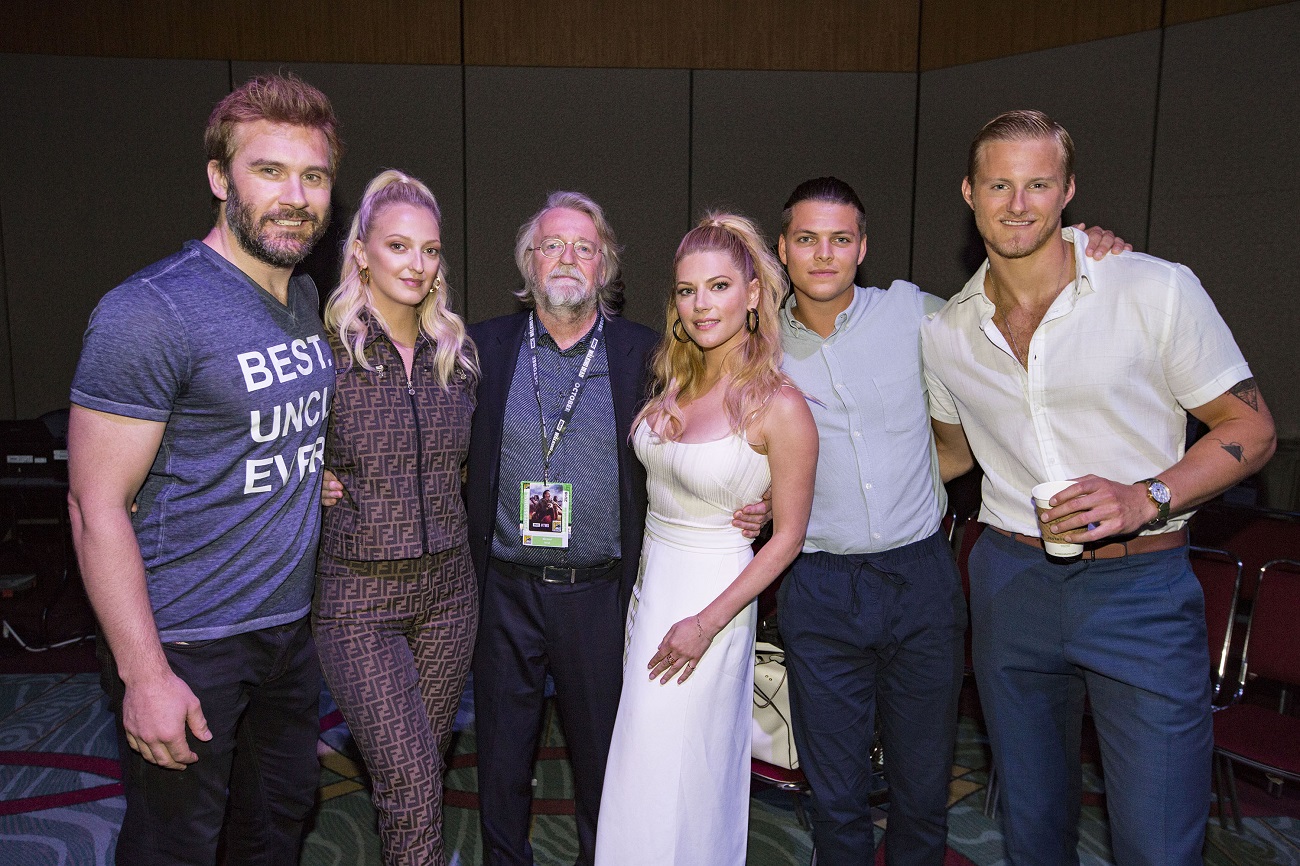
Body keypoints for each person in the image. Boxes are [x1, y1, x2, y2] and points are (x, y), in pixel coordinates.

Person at [922, 109, 1276, 865]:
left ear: (1068, 192)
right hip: (1011, 586)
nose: (1019, 204)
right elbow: (947, 456)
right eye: (999, 185)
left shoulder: (1152, 289)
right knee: (1032, 830)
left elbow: (1251, 430)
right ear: (970, 194)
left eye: (1038, 184)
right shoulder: (947, 333)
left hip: (1140, 589)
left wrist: (1145, 496)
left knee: (1158, 842)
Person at [755, 176, 1128, 866]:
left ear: (863, 247)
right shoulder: (757, 346)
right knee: (834, 795)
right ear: (782, 249)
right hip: (818, 585)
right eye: (807, 239)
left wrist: (1084, 247)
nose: (824, 254)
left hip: (919, 581)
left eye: (840, 239)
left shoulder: (912, 313)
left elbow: (1014, 302)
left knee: (922, 788)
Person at [66, 73, 340, 864]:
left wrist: (304, 471)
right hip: (187, 640)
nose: (295, 197)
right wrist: (144, 674)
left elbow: (246, 429)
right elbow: (93, 506)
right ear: (220, 178)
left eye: (314, 176)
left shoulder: (302, 297)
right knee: (176, 847)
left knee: (274, 829)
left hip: (285, 634)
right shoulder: (150, 312)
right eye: (269, 171)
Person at [595, 213, 817, 866]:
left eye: (719, 287)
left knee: (686, 777)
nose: (701, 305)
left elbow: (789, 538)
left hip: (712, 604)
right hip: (651, 593)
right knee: (642, 769)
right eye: (688, 290)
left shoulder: (781, 405)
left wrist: (706, 623)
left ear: (753, 294)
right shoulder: (676, 382)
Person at [465, 192, 660, 866]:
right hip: (505, 592)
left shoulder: (647, 355)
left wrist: (754, 494)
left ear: (606, 265)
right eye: (553, 245)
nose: (568, 258)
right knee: (500, 758)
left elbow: (705, 432)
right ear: (530, 261)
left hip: (598, 594)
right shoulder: (483, 348)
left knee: (604, 762)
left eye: (584, 247)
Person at [314, 170, 478, 866]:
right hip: (358, 600)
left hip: (449, 598)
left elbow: (470, 469)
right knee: (411, 781)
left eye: (430, 250)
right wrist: (308, 480)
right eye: (398, 246)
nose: (417, 264)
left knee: (413, 777)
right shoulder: (325, 353)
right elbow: (264, 447)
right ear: (361, 252)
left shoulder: (457, 356)